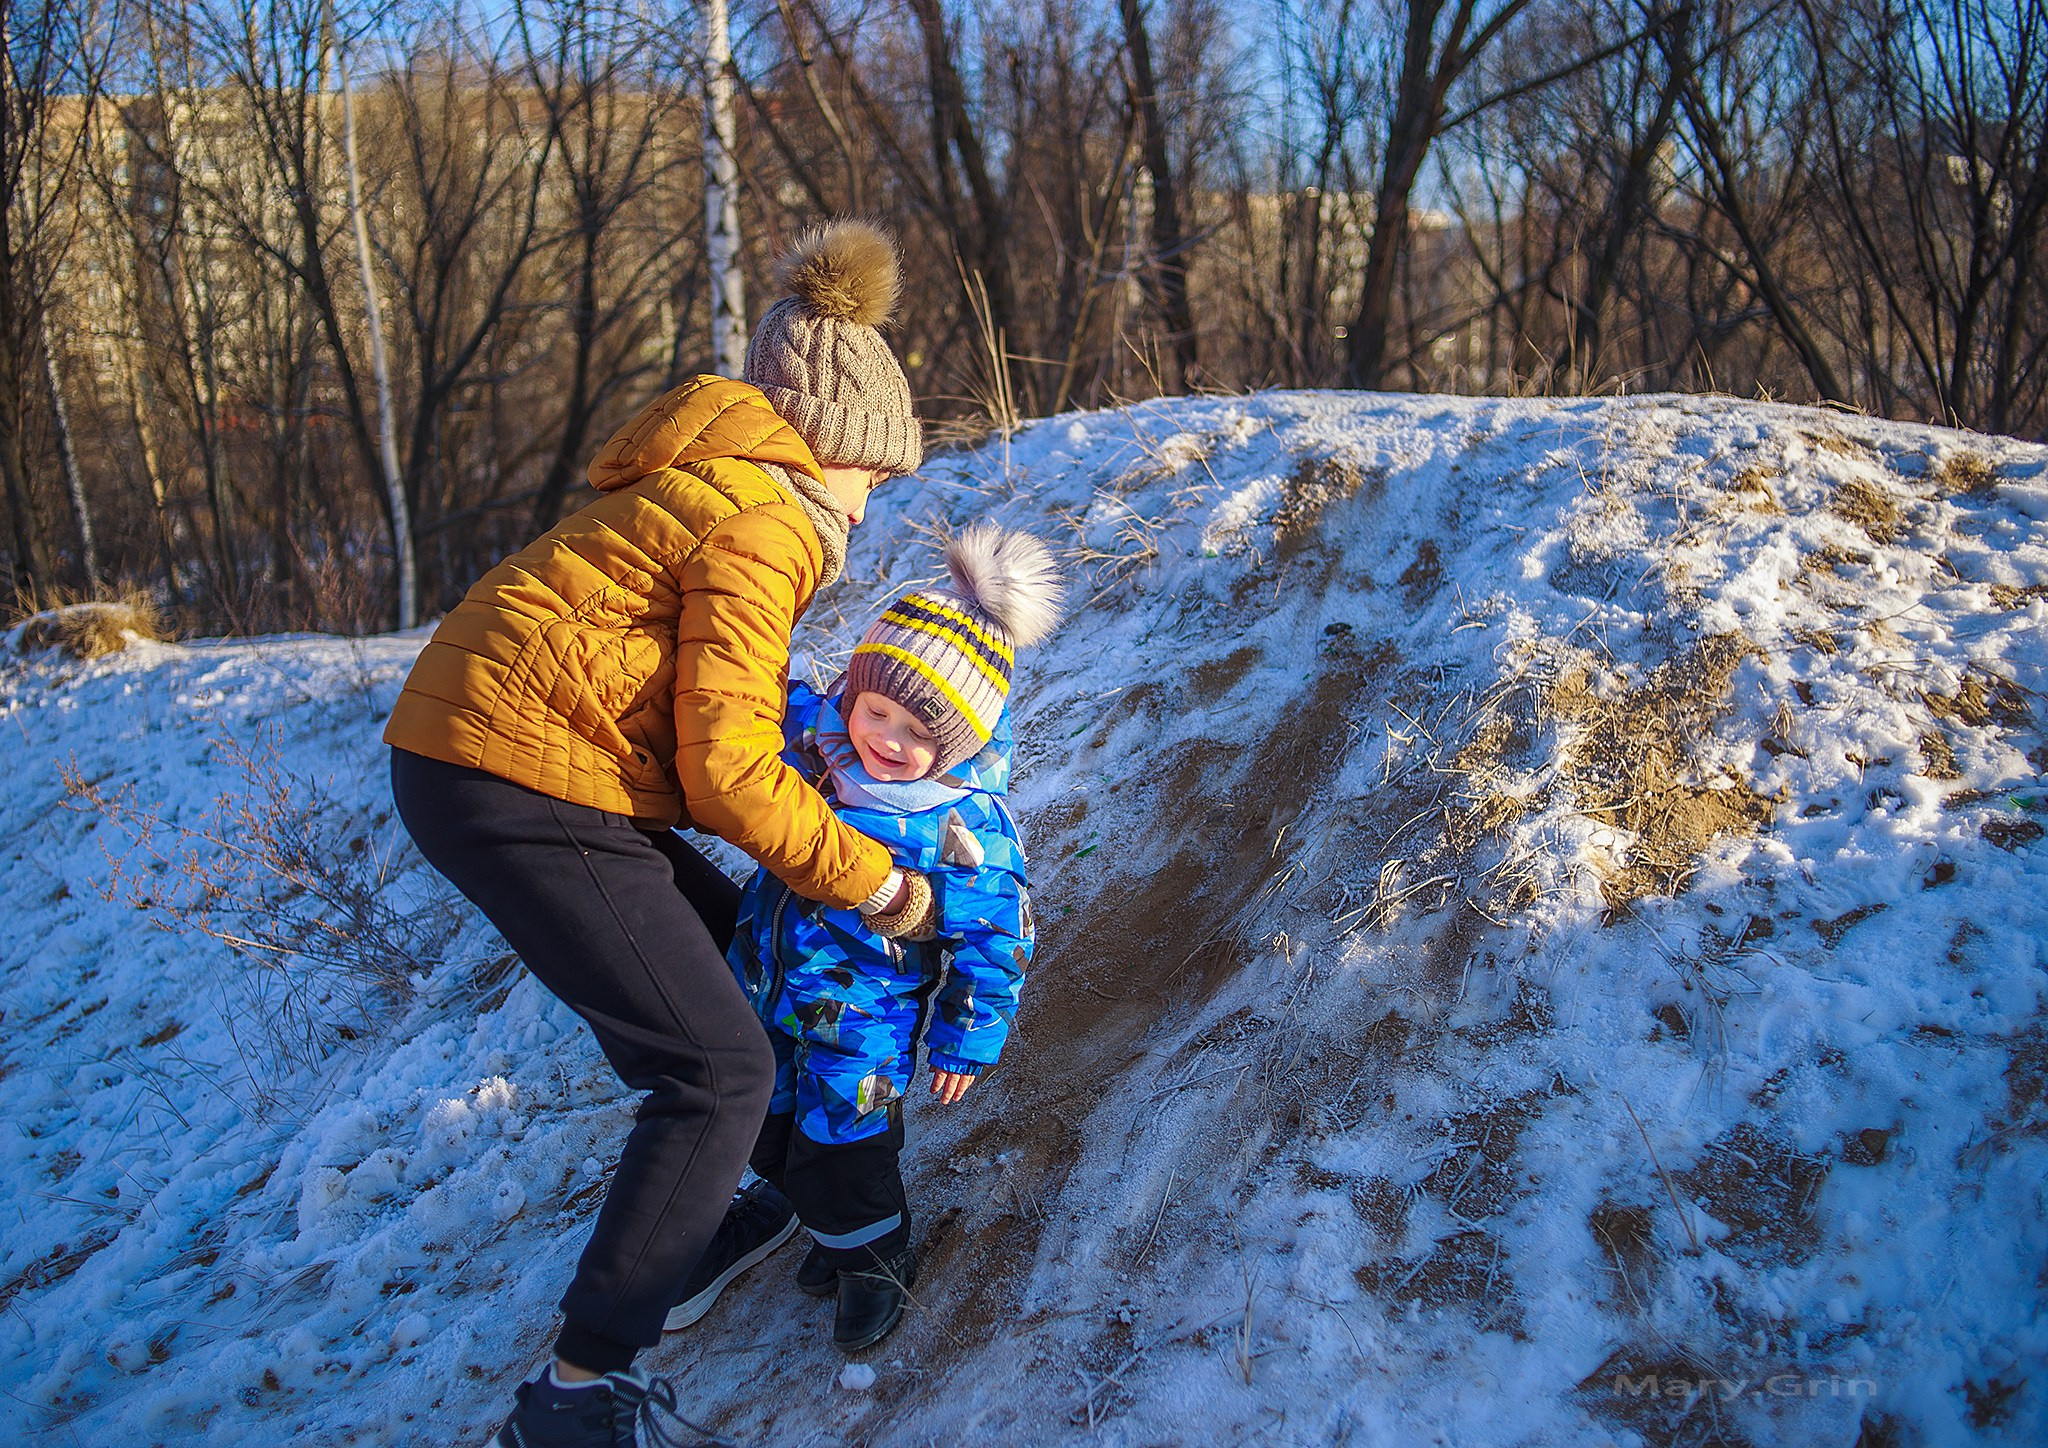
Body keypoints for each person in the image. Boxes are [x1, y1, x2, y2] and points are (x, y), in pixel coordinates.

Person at [385, 219, 933, 1448]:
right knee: (715, 1068)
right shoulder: (768, 521)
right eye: (876, 472)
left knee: (747, 951)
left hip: (491, 756)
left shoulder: (706, 483)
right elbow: (726, 771)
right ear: (831, 445)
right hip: (515, 777)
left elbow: (678, 708)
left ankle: (819, 1213)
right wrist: (880, 888)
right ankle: (577, 1401)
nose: (876, 496)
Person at [712, 524, 1061, 1354]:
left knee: (845, 1145)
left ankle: (873, 1257)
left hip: (861, 1017)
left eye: (917, 732)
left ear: (958, 743)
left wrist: (963, 1040)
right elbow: (761, 691)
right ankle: (823, 1226)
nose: (887, 739)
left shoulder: (961, 826)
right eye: (876, 709)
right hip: (763, 984)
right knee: (763, 1117)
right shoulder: (821, 740)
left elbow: (997, 938)